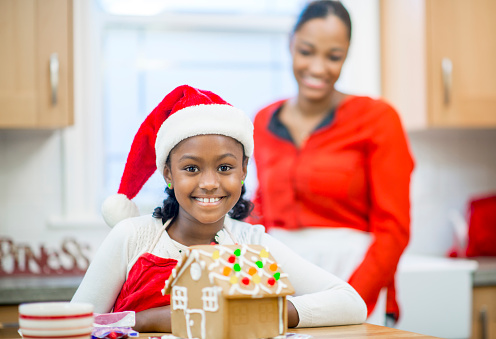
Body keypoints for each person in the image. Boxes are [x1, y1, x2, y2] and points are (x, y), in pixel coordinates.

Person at [71, 85, 367, 332]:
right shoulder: (133, 238)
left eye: (225, 167)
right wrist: (149, 320)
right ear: (168, 174)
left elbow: (350, 302)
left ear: (244, 170)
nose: (210, 183)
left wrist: (258, 314)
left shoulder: (252, 245)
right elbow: (75, 325)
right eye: (191, 168)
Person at [248, 0, 414, 323]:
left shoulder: (378, 119)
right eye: (307, 51)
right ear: (290, 43)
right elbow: (262, 206)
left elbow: (393, 230)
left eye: (333, 56)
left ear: (347, 54)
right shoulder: (263, 121)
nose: (318, 67)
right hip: (281, 283)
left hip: (355, 280)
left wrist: (348, 301)